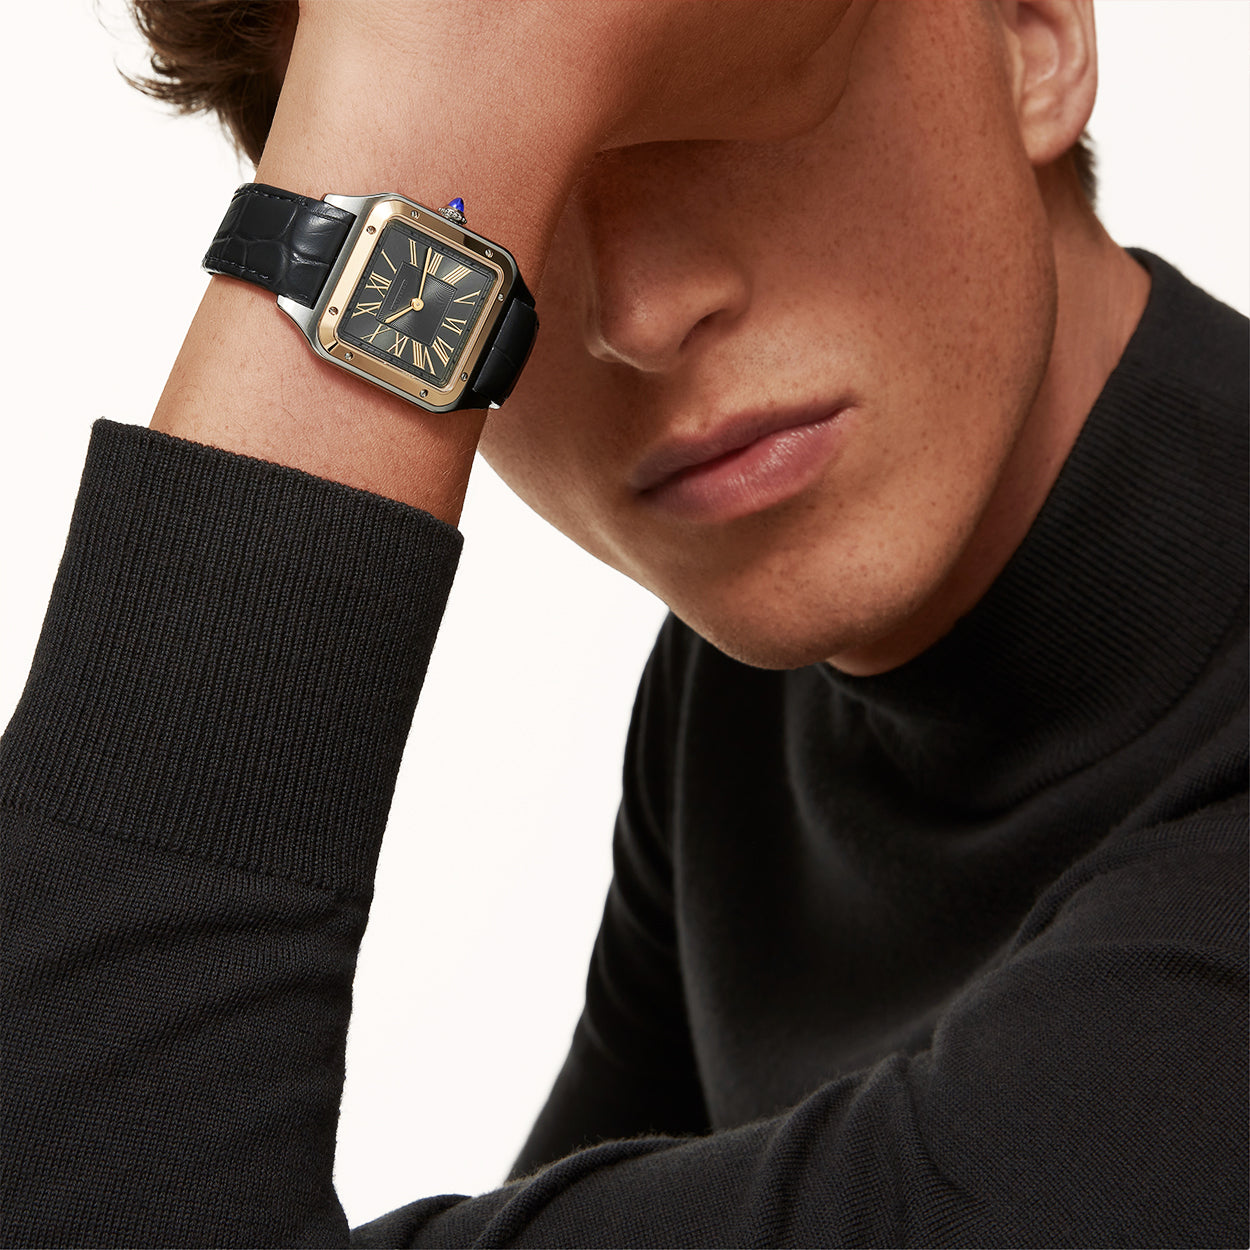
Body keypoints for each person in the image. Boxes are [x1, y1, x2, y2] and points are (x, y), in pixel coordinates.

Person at [2, 0, 1246, 1245]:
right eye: (505, 191)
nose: (643, 314)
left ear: (1030, 33)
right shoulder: (753, 696)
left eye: (724, 115)